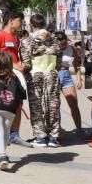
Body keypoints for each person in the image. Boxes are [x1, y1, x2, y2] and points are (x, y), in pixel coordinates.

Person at [0, 11, 33, 148]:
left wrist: (21, 65)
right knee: (3, 104)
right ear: (11, 21)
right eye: (20, 20)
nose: (22, 23)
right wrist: (11, 65)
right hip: (2, 77)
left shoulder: (16, 37)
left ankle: (14, 135)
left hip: (16, 76)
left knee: (18, 103)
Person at [21, 14, 62, 148]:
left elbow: (26, 64)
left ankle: (40, 137)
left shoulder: (27, 41)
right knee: (53, 105)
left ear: (31, 25)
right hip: (52, 73)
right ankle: (53, 137)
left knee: (36, 106)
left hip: (35, 75)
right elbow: (59, 62)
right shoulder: (55, 39)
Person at [55, 32, 84, 133]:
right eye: (60, 45)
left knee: (74, 104)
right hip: (53, 75)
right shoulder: (51, 49)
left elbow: (77, 65)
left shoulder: (72, 49)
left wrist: (79, 79)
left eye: (64, 44)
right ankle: (57, 130)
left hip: (66, 75)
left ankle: (79, 129)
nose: (62, 47)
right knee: (54, 106)